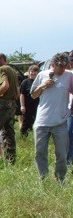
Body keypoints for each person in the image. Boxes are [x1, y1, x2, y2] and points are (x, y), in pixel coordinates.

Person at [30, 53, 73, 182]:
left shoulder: (70, 76)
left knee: (62, 153)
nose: (62, 69)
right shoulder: (42, 75)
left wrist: (70, 110)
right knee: (40, 153)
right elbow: (33, 95)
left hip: (60, 122)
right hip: (42, 122)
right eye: (60, 67)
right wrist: (42, 85)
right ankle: (43, 179)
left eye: (65, 66)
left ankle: (60, 178)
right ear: (52, 65)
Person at [19, 65, 40, 137]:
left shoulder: (40, 82)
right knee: (26, 122)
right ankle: (23, 137)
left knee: (37, 121)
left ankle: (35, 136)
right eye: (31, 71)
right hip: (27, 105)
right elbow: (22, 95)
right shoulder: (25, 82)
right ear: (29, 72)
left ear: (38, 73)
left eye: (35, 71)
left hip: (38, 105)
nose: (33, 73)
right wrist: (22, 106)